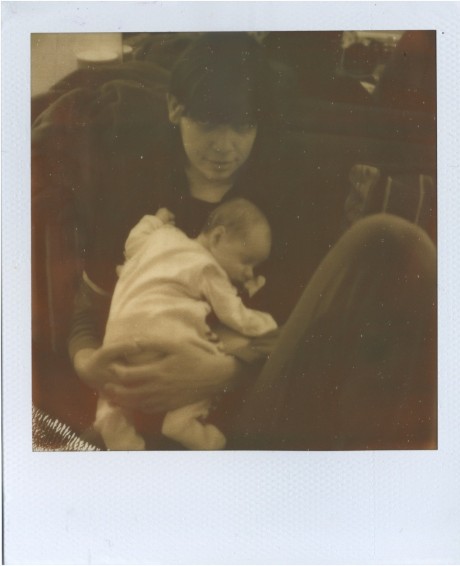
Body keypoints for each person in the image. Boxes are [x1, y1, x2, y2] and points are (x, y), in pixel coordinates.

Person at [51, 32, 435, 450]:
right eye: (208, 124)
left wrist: (223, 373)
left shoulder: (288, 196)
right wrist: (88, 364)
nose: (224, 147)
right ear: (175, 108)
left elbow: (311, 332)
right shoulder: (138, 186)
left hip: (247, 410)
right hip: (132, 411)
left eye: (242, 126)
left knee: (385, 237)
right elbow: (87, 311)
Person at [94, 200, 276, 451]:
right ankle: (182, 421)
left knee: (114, 394)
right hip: (165, 342)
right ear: (218, 236)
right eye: (246, 261)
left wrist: (156, 220)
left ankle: (113, 426)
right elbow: (235, 315)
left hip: (118, 342)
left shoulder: (160, 237)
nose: (249, 273)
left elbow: (133, 240)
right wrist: (269, 325)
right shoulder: (208, 267)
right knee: (210, 355)